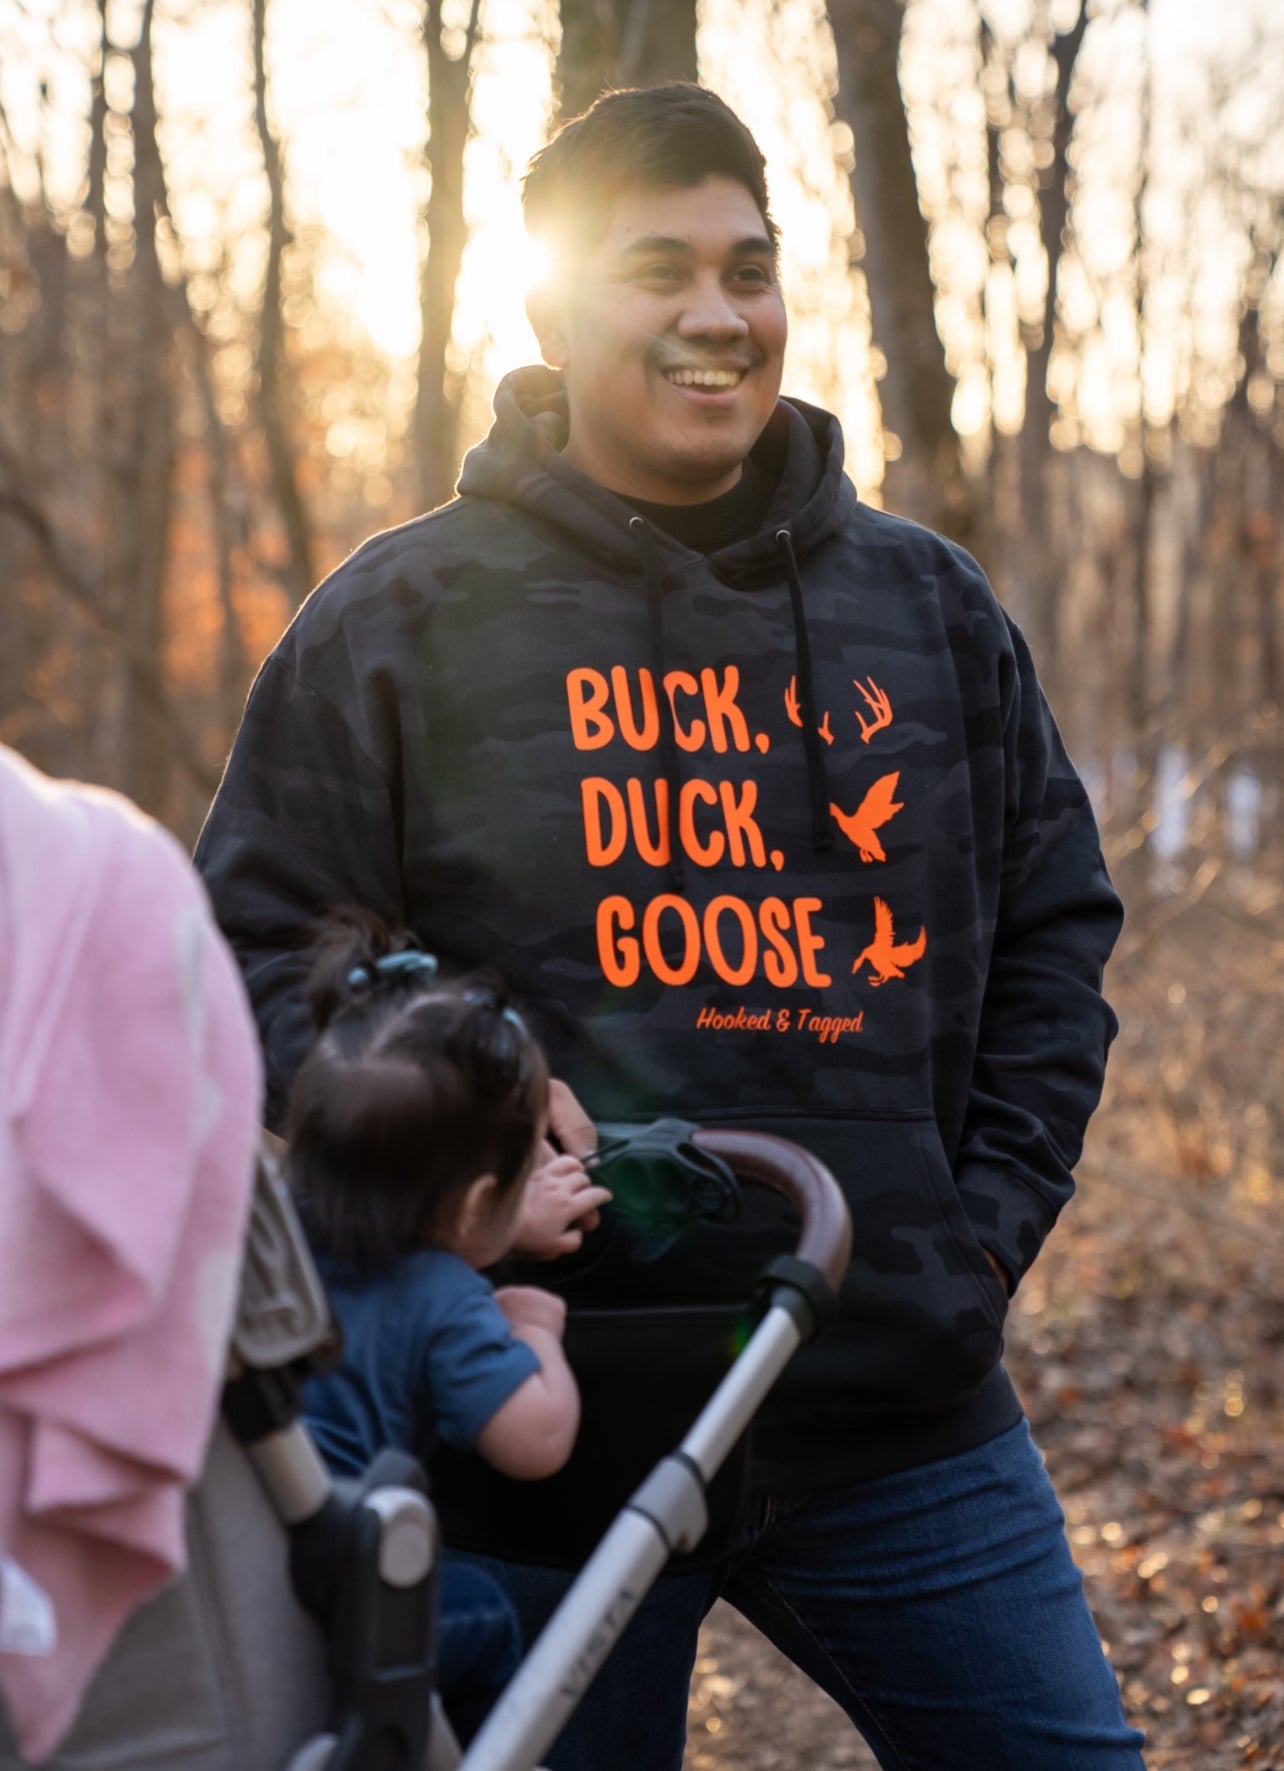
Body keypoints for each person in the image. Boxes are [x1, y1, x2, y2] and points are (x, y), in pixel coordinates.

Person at [195, 82, 1143, 1771]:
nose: (718, 315)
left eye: (747, 268)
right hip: (530, 1420)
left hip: (888, 1401)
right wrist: (456, 1125)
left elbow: (1054, 932)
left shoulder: (925, 607)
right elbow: (252, 957)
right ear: (554, 311)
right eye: (659, 270)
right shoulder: (397, 618)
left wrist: (976, 1237)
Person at [285, 912, 588, 1743]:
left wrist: (502, 1222)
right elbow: (537, 1439)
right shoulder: (444, 1295)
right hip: (332, 1595)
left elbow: (441, 1223)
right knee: (480, 1611)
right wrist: (534, 1329)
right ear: (471, 1204)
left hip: (226, 1562)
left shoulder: (267, 1235)